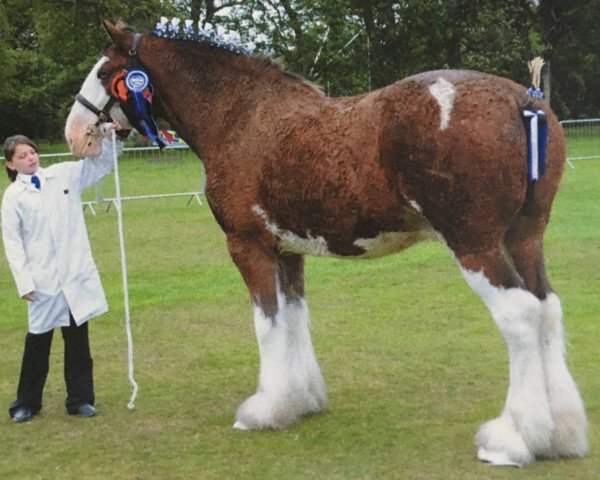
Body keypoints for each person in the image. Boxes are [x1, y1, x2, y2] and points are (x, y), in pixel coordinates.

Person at [1, 123, 123, 423]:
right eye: (23, 156)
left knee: (78, 340)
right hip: (42, 281)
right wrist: (24, 282)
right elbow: (12, 242)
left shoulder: (63, 174)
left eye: (33, 152)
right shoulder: (13, 196)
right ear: (11, 164)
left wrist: (111, 137)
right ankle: (26, 403)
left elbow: (102, 164)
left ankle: (80, 400)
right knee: (38, 342)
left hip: (74, 274)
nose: (31, 158)